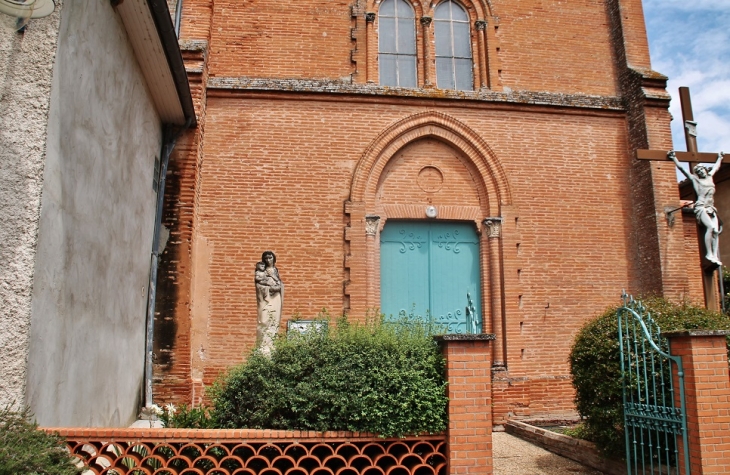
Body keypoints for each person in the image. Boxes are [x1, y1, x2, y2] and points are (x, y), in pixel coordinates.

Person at [669, 150, 724, 265]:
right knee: (709, 227)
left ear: (705, 170)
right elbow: (683, 169)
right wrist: (674, 158)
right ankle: (708, 253)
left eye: (701, 170)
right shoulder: (696, 180)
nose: (701, 172)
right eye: (698, 171)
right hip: (701, 207)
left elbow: (716, 167)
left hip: (711, 207)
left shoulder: (710, 177)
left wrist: (720, 158)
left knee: (715, 231)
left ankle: (714, 255)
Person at [255, 251, 283, 355]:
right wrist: (270, 289)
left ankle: (271, 344)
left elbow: (279, 283)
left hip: (276, 298)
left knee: (274, 320)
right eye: (266, 258)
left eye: (270, 258)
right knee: (264, 320)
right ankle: (263, 345)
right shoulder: (262, 271)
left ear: (273, 258)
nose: (268, 260)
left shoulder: (276, 270)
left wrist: (278, 287)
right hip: (266, 299)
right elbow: (259, 285)